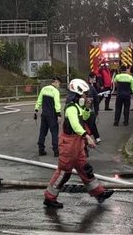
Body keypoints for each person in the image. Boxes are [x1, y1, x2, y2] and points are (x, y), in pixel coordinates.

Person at [43, 78, 113, 209]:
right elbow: (75, 125)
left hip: (77, 145)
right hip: (69, 145)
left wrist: (86, 108)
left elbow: (85, 118)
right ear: (77, 95)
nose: (86, 96)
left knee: (85, 169)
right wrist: (87, 136)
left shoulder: (78, 107)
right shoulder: (71, 108)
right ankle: (49, 198)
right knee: (64, 173)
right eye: (84, 94)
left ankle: (99, 193)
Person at [34, 76, 62, 156]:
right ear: (56, 82)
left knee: (42, 132)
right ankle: (56, 151)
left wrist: (36, 110)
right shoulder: (55, 91)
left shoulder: (44, 89)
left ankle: (41, 149)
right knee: (54, 133)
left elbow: (39, 101)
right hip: (52, 115)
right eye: (59, 84)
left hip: (44, 114)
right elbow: (57, 104)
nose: (59, 86)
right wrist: (59, 114)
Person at [85, 72, 101, 142]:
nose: (95, 79)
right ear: (90, 78)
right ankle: (93, 138)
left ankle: (96, 137)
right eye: (94, 78)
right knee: (90, 123)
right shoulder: (90, 87)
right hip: (89, 109)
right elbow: (96, 99)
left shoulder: (90, 86)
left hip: (87, 108)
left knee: (91, 123)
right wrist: (97, 111)